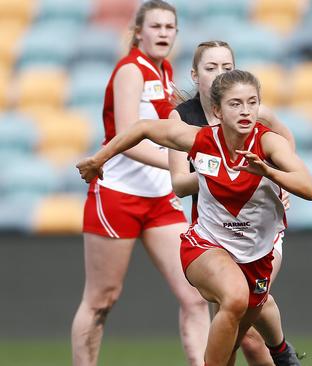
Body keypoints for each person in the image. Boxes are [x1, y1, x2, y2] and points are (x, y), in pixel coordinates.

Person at [76, 69, 312, 366]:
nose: (245, 111)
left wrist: (267, 171)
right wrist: (98, 159)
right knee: (235, 297)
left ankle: (280, 350)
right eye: (235, 104)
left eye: (252, 103)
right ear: (217, 110)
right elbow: (142, 128)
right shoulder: (200, 139)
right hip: (206, 245)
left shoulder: (269, 143)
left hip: (257, 254)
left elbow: (310, 188)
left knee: (232, 341)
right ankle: (280, 350)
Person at [71, 2, 209, 365]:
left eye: (170, 27)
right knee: (102, 299)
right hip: (119, 194)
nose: (164, 33)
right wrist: (180, 162)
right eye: (156, 26)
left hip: (160, 197)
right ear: (138, 31)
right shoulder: (130, 70)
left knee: (195, 293)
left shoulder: (165, 72)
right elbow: (126, 137)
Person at [170, 40, 301, 365]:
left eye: (226, 68)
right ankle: (283, 352)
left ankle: (282, 352)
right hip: (215, 229)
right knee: (235, 320)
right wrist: (213, 171)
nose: (218, 75)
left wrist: (280, 176)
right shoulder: (183, 119)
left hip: (258, 226)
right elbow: (178, 185)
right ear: (195, 74)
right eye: (210, 68)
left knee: (244, 321)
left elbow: (288, 148)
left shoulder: (255, 112)